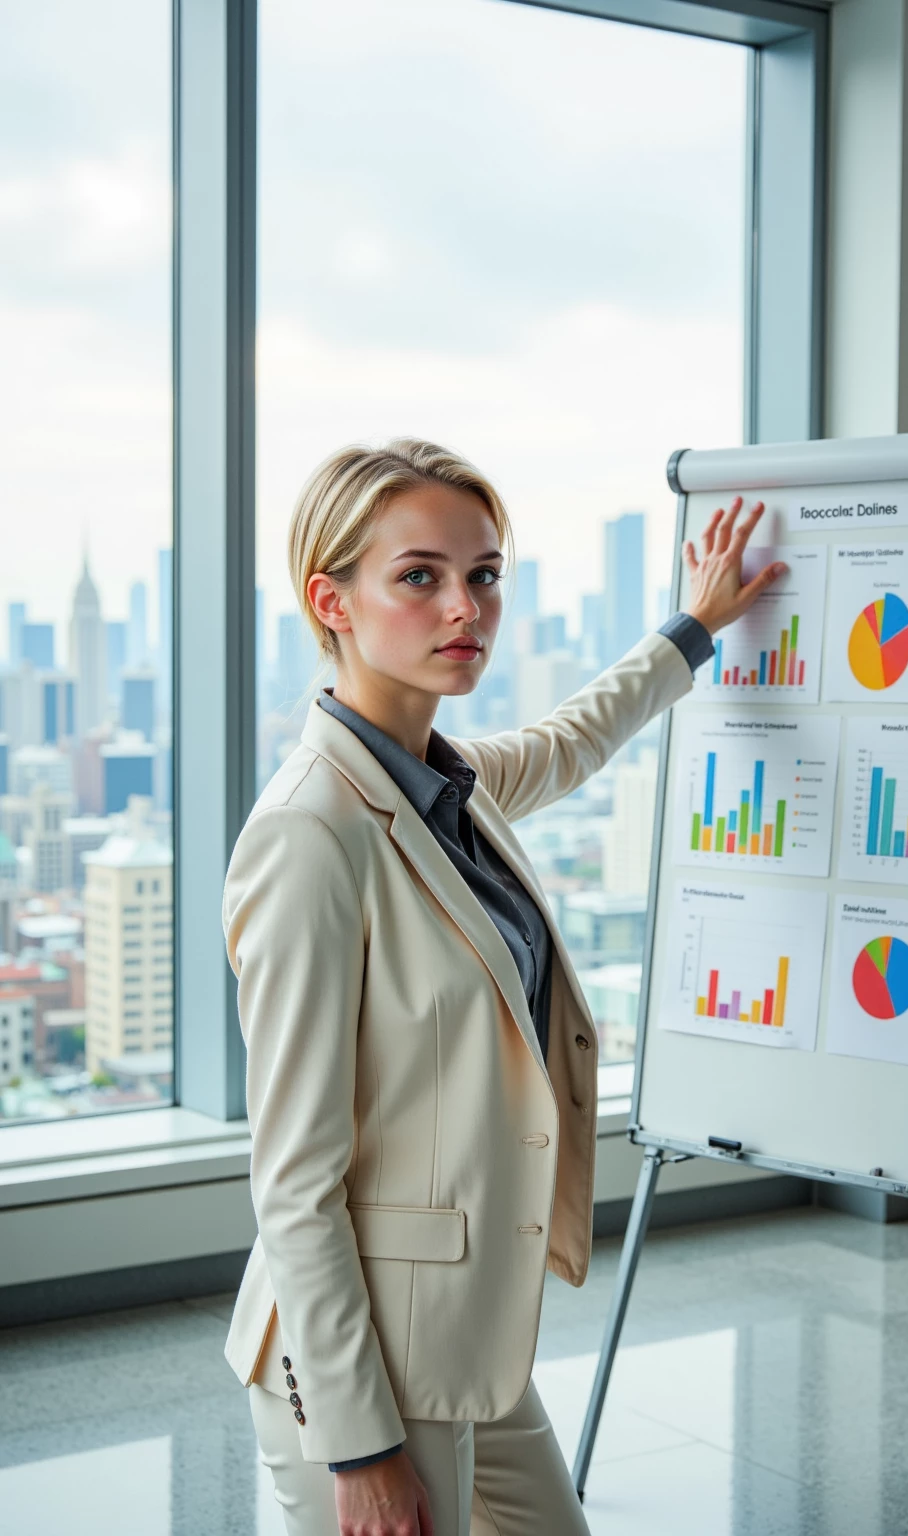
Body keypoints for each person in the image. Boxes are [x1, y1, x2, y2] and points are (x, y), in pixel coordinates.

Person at [221, 439, 783, 1536]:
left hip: (463, 1339)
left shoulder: (443, 783)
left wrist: (696, 627)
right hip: (361, 1374)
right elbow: (294, 1179)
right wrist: (361, 1446)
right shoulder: (309, 835)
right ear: (330, 600)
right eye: (419, 576)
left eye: (483, 575)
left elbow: (569, 742)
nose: (463, 606)